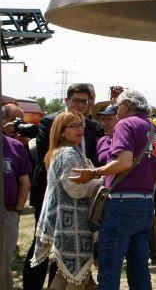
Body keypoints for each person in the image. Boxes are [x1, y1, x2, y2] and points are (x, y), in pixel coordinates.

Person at [69, 89, 156, 290]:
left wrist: (94, 173)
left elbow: (123, 161)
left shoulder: (125, 124)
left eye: (117, 107)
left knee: (109, 269)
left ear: (127, 106)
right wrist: (143, 178)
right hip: (146, 204)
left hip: (121, 203)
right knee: (139, 269)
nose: (116, 112)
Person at [25, 83, 103, 290]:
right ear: (61, 131)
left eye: (81, 126)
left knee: (69, 274)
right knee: (73, 273)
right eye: (74, 127)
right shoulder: (67, 153)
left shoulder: (72, 149)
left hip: (72, 219)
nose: (80, 129)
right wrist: (100, 180)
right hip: (70, 222)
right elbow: (75, 188)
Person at [1, 104, 32, 289]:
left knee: (3, 263)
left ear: (3, 121)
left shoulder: (15, 147)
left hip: (7, 213)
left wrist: (17, 210)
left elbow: (25, 181)